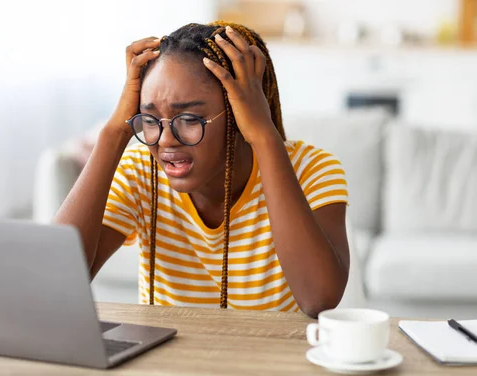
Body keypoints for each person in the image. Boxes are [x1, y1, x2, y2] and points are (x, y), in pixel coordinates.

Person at [55, 21, 350, 318]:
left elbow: (319, 298)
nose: (166, 138)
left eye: (189, 118)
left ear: (239, 114)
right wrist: (115, 132)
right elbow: (56, 281)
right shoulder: (141, 171)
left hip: (269, 362)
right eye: (149, 118)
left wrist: (263, 134)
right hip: (166, 363)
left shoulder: (311, 169)